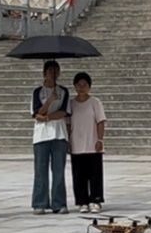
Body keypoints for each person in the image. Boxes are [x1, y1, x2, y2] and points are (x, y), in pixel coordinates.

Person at [31, 60, 69, 215]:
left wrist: (47, 117)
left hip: (59, 134)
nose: (53, 74)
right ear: (44, 73)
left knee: (59, 170)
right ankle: (40, 202)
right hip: (41, 136)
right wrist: (50, 101)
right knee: (41, 170)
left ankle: (59, 203)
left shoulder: (63, 91)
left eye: (56, 71)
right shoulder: (37, 92)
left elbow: (63, 112)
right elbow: (37, 112)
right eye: (50, 71)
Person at [67, 72, 106, 214]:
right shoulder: (71, 104)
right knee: (79, 176)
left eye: (84, 85)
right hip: (77, 145)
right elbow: (68, 124)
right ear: (75, 86)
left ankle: (96, 200)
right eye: (79, 85)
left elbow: (100, 121)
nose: (82, 87)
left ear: (89, 86)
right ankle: (82, 201)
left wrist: (100, 139)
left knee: (95, 174)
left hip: (92, 144)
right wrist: (68, 141)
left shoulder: (95, 102)